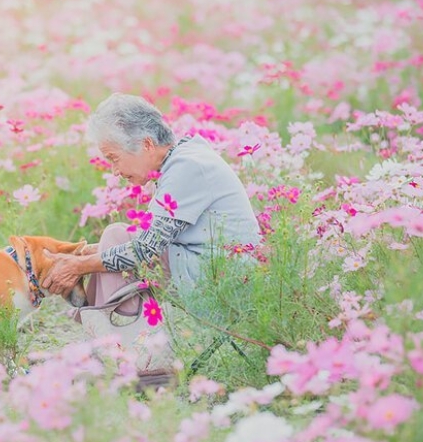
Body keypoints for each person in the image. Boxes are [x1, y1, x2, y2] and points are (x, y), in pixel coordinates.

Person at [42, 93, 260, 375]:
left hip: (222, 281)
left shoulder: (188, 167)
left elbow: (146, 249)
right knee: (115, 238)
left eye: (114, 159)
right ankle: (118, 349)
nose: (115, 171)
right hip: (206, 269)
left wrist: (79, 265)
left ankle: (122, 353)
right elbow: (152, 239)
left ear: (146, 144)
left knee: (116, 236)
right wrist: (85, 255)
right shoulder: (183, 159)